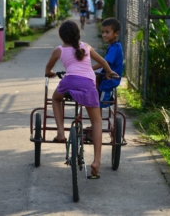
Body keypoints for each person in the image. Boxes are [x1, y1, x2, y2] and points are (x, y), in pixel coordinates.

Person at [45, 20, 117, 178]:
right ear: (78, 34)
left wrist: (50, 73)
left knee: (55, 99)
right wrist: (109, 72)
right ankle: (97, 161)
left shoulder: (59, 50)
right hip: (88, 85)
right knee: (97, 122)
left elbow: (48, 69)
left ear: (61, 36)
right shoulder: (87, 47)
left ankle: (60, 133)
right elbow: (103, 62)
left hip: (69, 82)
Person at [92, 18, 124, 108]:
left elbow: (104, 62)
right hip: (108, 76)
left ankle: (105, 101)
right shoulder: (114, 45)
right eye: (102, 32)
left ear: (116, 33)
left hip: (110, 79)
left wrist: (91, 68)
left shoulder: (114, 47)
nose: (104, 35)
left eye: (107, 32)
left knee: (98, 103)